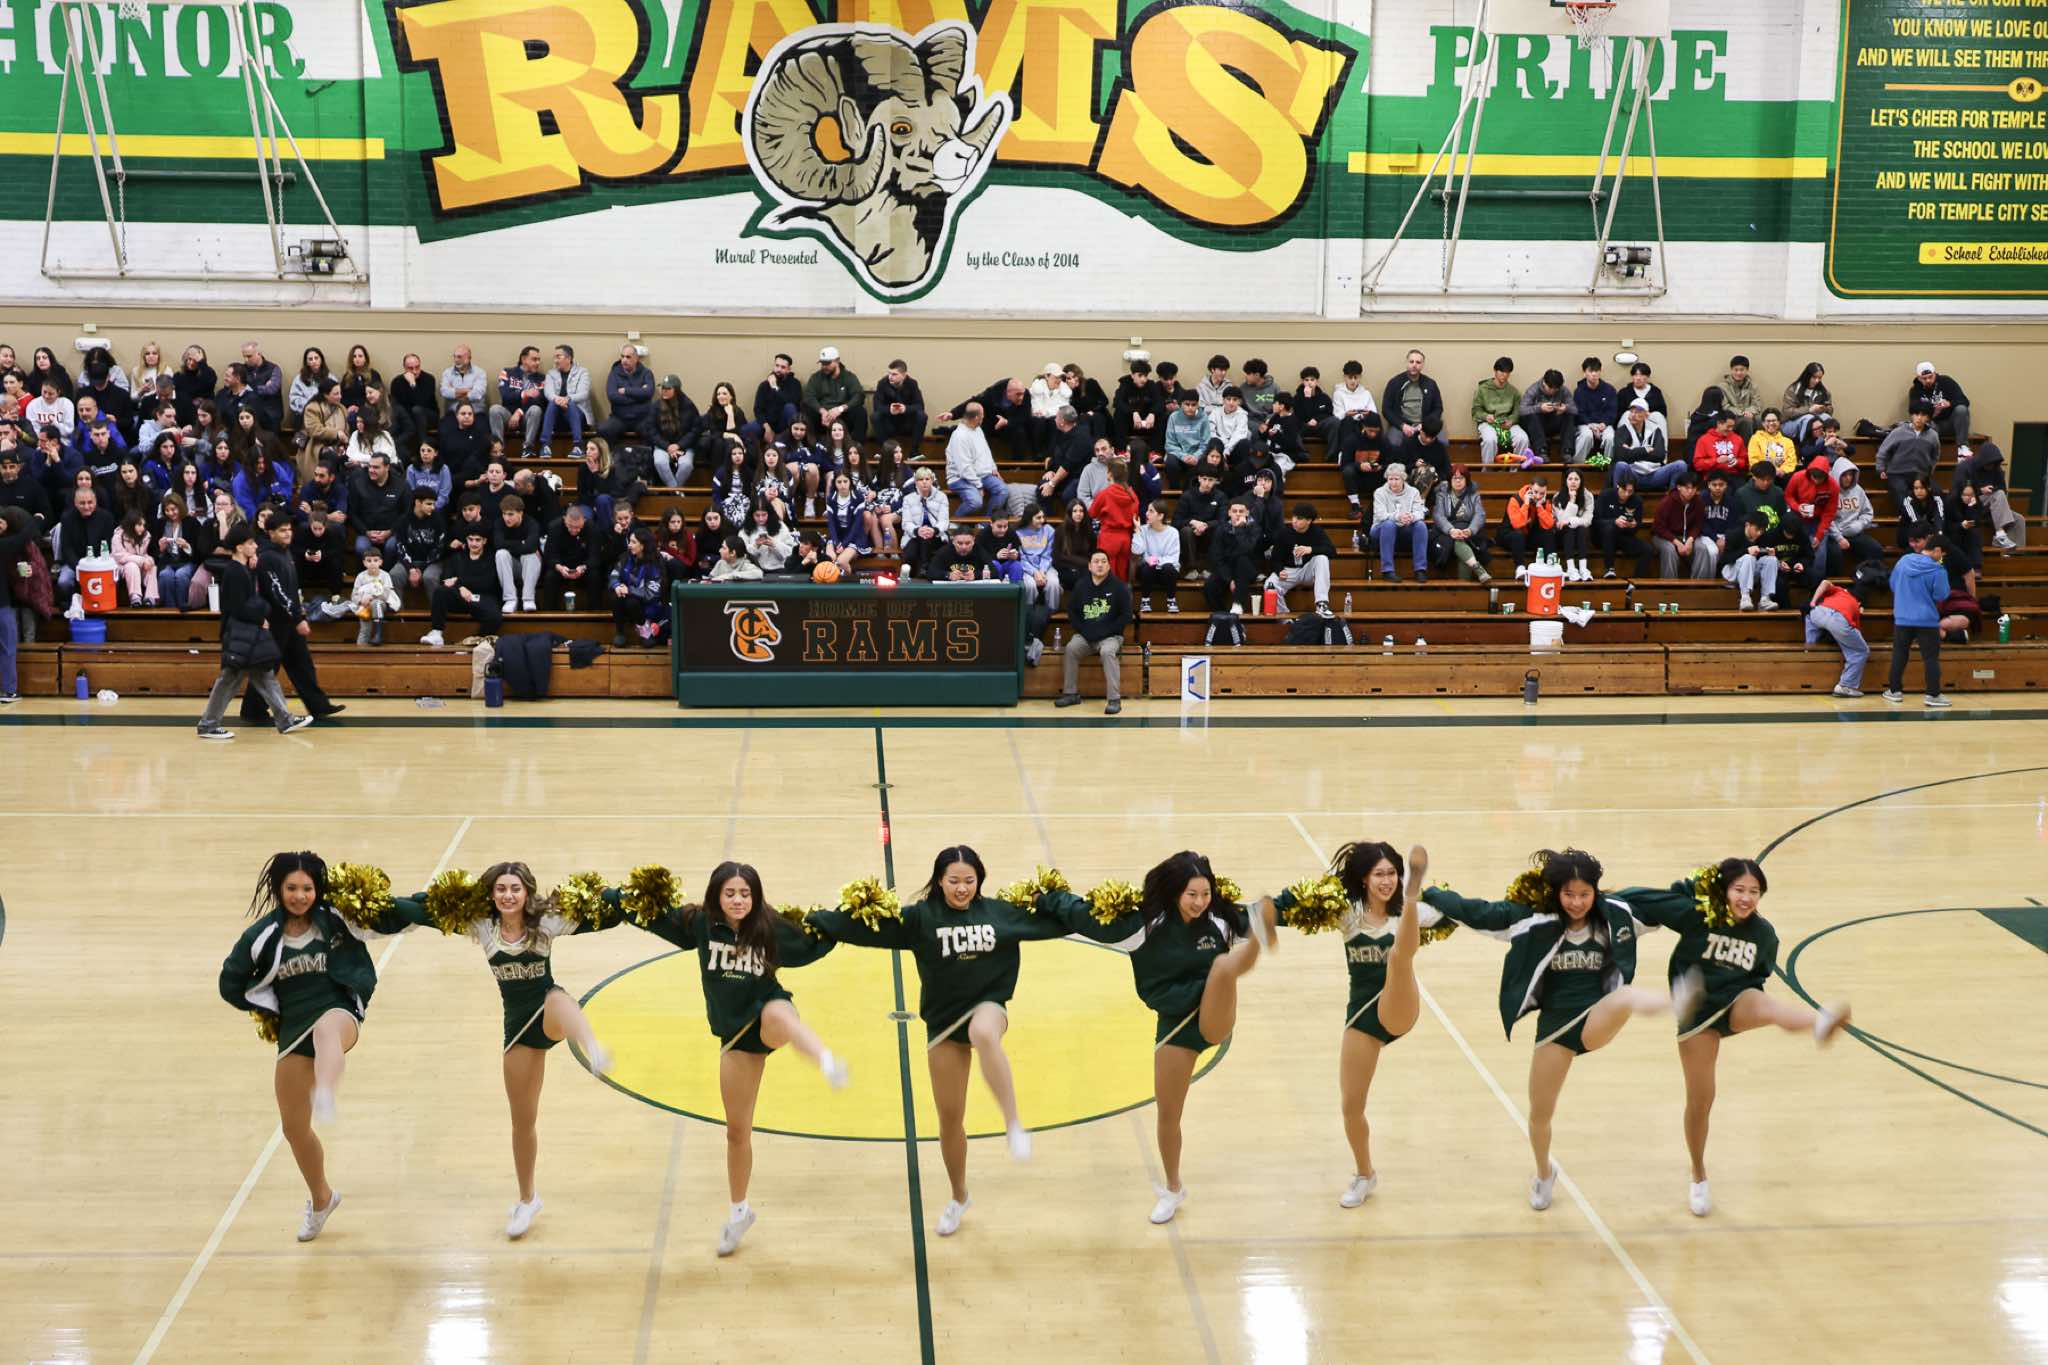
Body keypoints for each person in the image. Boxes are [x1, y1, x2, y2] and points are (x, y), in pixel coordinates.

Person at [808, 848, 1072, 1236]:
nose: (962, 888)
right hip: (945, 1023)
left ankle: (1014, 1124)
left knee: (984, 1033)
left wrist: (1095, 918)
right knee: (950, 1120)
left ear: (980, 880)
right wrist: (819, 921)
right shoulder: (921, 918)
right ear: (939, 881)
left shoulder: (1000, 913)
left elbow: (1055, 923)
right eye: (954, 881)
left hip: (987, 1006)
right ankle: (959, 1196)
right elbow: (869, 929)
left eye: (969, 881)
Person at [1423, 850, 1677, 1210]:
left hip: (1597, 1017)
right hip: (1556, 1029)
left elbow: (1669, 906)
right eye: (1569, 894)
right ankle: (1544, 1173)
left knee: (1625, 997)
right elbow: (1475, 912)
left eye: (1584, 894)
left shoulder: (1618, 913)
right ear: (1556, 891)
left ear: (1595, 891)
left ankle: (1675, 1002)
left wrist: (1714, 899)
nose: (1577, 902)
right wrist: (1431, 894)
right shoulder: (1532, 920)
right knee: (1539, 1113)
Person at [1614, 860, 1851, 1215]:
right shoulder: (1699, 915)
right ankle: (1698, 1174)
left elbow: (1760, 973)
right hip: (1697, 1013)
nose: (1746, 898)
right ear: (1724, 890)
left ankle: (1818, 1022)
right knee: (1701, 1100)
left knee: (1766, 1005)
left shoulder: (1764, 934)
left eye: (1754, 892)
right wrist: (1603, 903)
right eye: (1739, 890)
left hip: (1738, 1001)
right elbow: (1644, 899)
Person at [1041, 851, 1262, 1223]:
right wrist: (1047, 898)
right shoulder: (1143, 926)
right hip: (1175, 1025)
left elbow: (1275, 911)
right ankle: (1173, 1188)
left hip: (1214, 1014)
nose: (1200, 902)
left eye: (1206, 894)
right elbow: (1083, 917)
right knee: (1168, 1114)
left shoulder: (1221, 920)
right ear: (1175, 892)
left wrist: (1289, 910)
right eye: (1192, 895)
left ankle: (1252, 950)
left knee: (1224, 967)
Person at [647, 862, 847, 1257]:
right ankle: (739, 1211)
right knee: (737, 1132)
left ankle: (825, 1060)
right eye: (730, 893)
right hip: (737, 1039)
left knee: (780, 1014)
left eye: (745, 894)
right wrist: (618, 899)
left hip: (767, 1013)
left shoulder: (769, 928)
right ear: (717, 895)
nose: (738, 900)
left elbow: (812, 944)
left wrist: (843, 923)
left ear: (755, 897)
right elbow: (652, 916)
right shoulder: (699, 924)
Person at [218, 853, 408, 1239]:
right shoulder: (261, 937)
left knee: (326, 1031)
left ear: (317, 889)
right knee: (294, 1128)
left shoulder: (336, 918)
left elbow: (392, 916)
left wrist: (432, 908)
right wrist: (265, 1002)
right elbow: (229, 983)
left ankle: (326, 1091)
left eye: (307, 888)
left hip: (340, 1010)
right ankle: (322, 1198)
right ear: (279, 889)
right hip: (293, 1026)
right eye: (292, 888)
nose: (300, 895)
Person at [1256, 842, 1445, 1206]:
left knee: (1399, 958)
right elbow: (1290, 912)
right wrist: (1258, 911)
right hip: (1363, 1013)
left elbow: (1467, 914)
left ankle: (1413, 892)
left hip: (1400, 1002)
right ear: (1364, 879)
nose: (1386, 880)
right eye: (1379, 874)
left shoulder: (1416, 913)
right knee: (1351, 1106)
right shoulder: (1347, 914)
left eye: (1393, 873)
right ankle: (1364, 1174)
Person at [197, 527, 310, 739]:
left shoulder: (242, 569)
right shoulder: (234, 572)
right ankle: (207, 725)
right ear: (240, 547)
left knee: (265, 674)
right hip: (239, 634)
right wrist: (261, 615)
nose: (256, 546)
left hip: (247, 634)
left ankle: (285, 719)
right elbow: (237, 607)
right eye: (251, 543)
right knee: (229, 680)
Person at [242, 518, 341, 725]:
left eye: (289, 529)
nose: (287, 533)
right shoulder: (267, 557)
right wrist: (297, 618)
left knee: (302, 664)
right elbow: (277, 592)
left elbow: (292, 589)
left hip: (290, 618)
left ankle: (319, 705)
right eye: (282, 530)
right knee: (268, 666)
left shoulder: (286, 553)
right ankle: (252, 710)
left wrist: (299, 612)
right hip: (276, 621)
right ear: (270, 533)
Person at [1056, 549, 1131, 715]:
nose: (1100, 565)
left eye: (1104, 561)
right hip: (1086, 635)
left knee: (1107, 652)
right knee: (1071, 648)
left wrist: (1106, 630)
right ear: (1089, 566)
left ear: (1109, 566)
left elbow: (1126, 616)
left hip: (1111, 636)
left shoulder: (1119, 587)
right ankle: (1070, 693)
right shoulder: (1081, 585)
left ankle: (1114, 699)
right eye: (1096, 562)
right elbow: (1072, 611)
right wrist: (1083, 630)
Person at [1885, 524, 1950, 707]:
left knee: (1899, 655)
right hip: (1927, 620)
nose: (1942, 558)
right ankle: (1933, 695)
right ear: (1937, 550)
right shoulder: (1938, 570)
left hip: (1902, 618)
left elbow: (1893, 584)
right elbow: (1941, 595)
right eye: (1942, 555)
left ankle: (1894, 691)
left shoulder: (1903, 561)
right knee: (1930, 658)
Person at [1805, 562, 1886, 698]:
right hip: (1840, 620)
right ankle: (1845, 685)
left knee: (1809, 617)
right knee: (1861, 651)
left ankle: (1809, 647)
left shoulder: (1839, 591)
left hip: (1818, 612)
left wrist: (1813, 601)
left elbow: (1824, 582)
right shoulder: (1855, 605)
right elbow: (1854, 630)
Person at [419, 529, 501, 647]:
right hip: (460, 597)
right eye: (470, 539)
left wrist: (458, 581)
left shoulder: (491, 558)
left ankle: (477, 640)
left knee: (495, 617)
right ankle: (436, 632)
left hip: (482, 598)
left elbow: (487, 582)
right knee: (440, 591)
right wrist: (461, 588)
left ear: (484, 541)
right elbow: (446, 579)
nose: (473, 543)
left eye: (477, 540)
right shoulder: (457, 557)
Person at [1953, 439, 2025, 551]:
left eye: (1993, 463)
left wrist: (1992, 490)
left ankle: (2015, 553)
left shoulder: (1996, 469)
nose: (1991, 466)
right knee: (1999, 494)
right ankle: (2000, 534)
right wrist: (1980, 490)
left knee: (2019, 519)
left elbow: (2003, 489)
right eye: (1989, 463)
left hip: (1990, 507)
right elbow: (1959, 491)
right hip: (1970, 505)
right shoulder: (1965, 467)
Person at [1432, 464, 1492, 582]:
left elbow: (1480, 514)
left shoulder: (1473, 494)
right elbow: (1438, 515)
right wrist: (1451, 530)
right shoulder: (1442, 494)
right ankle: (1477, 568)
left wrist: (1471, 530)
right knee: (1458, 540)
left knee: (1462, 539)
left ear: (1467, 479)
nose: (1458, 481)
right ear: (1450, 480)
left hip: (1467, 530)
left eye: (1461, 478)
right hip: (1446, 532)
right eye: (1455, 478)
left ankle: (1464, 587)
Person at [1368, 462, 1428, 582]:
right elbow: (1381, 515)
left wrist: (1411, 517)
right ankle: (1387, 570)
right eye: (1390, 479)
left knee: (1420, 525)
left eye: (1396, 479)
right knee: (1388, 524)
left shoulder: (1413, 492)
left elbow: (1420, 513)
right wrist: (1398, 517)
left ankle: (1420, 570)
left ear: (1403, 479)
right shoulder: (1380, 492)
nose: (1393, 482)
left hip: (1405, 528)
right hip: (1380, 530)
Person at [944, 401, 1007, 516]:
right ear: (976, 417)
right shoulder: (959, 436)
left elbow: (986, 451)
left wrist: (993, 468)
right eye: (982, 415)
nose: (983, 418)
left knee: (1003, 491)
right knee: (975, 502)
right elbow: (964, 468)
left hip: (983, 475)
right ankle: (955, 522)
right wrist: (978, 485)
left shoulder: (978, 429)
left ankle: (985, 523)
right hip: (961, 478)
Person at [1652, 472, 1718, 579]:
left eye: (1693, 488)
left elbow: (1698, 525)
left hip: (1687, 536)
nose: (1690, 491)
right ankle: (1669, 585)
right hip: (1664, 537)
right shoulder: (1667, 502)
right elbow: (1659, 527)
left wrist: (1690, 540)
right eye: (1687, 488)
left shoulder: (1698, 502)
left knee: (1702, 549)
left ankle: (1698, 585)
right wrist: (1677, 542)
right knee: (1669, 550)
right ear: (1679, 487)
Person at [1875, 404, 1939, 513]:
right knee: (1902, 493)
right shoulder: (1898, 432)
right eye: (1916, 414)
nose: (1919, 418)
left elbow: (1935, 455)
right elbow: (1883, 451)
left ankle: (1928, 519)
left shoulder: (1933, 436)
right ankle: (1912, 519)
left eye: (1923, 415)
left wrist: (1929, 471)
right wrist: (1881, 469)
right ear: (1911, 415)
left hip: (1920, 474)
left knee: (1937, 492)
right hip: (1897, 474)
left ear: (1928, 418)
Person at [1379, 349, 1443, 457]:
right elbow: (1386, 409)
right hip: (1401, 425)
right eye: (1411, 361)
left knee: (1442, 441)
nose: (1414, 365)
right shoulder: (1394, 383)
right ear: (1406, 363)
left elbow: (1438, 408)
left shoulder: (1431, 384)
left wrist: (1425, 425)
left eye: (1418, 362)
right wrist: (1402, 425)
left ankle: (1429, 467)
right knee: (1393, 442)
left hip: (1425, 425)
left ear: (1422, 365)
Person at [1592, 468, 1652, 579]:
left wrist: (1634, 525)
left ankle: (1636, 581)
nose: (1627, 494)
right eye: (1624, 490)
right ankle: (1609, 568)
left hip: (1623, 537)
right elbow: (1596, 521)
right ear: (1618, 486)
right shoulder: (1606, 495)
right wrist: (1614, 521)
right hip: (1602, 537)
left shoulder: (1637, 501)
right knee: (1610, 528)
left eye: (1630, 491)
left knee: (1647, 549)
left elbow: (1638, 524)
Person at [1088, 459, 1141, 580]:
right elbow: (1135, 518)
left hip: (1109, 538)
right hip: (1126, 539)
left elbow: (1092, 513)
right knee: (1121, 577)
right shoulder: (1132, 494)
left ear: (1110, 473)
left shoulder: (1105, 493)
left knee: (1106, 578)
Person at [0, 505, 31, 702]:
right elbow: (23, 537)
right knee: (8, 647)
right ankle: (9, 690)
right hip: (2, 606)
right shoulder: (4, 545)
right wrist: (38, 519)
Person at [1472, 358, 1530, 464]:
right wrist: (1486, 416)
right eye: (1502, 371)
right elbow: (1476, 411)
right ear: (1495, 371)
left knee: (1523, 439)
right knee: (1490, 440)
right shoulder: (1482, 389)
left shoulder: (1513, 391)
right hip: (1489, 423)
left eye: (1507, 372)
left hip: (1507, 423)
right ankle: (1488, 470)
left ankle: (1515, 470)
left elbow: (1517, 411)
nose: (1505, 375)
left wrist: (1511, 421)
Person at [804, 346, 866, 443]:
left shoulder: (849, 377)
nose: (824, 366)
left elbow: (859, 396)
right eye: (822, 363)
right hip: (823, 415)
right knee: (807, 409)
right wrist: (822, 411)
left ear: (837, 361)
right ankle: (812, 446)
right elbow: (809, 396)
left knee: (860, 411)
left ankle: (855, 447)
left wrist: (840, 409)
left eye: (827, 363)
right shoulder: (816, 377)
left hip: (843, 415)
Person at [1130, 498, 1181, 614]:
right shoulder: (1143, 530)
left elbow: (1173, 558)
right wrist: (1137, 531)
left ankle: (1171, 599)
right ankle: (1145, 600)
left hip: (1166, 572)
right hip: (1147, 572)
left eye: (1151, 511)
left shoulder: (1173, 532)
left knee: (1168, 568)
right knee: (1149, 567)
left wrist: (1154, 560)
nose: (1146, 513)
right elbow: (1137, 551)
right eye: (1147, 510)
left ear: (1160, 516)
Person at [1909, 361, 1972, 454]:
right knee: (1921, 423)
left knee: (1961, 409)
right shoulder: (1915, 391)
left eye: (1930, 377)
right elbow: (1914, 413)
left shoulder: (1946, 382)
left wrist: (1949, 403)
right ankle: (1927, 453)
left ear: (1935, 374)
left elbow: (1964, 401)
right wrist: (1934, 412)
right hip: (1932, 424)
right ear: (1919, 378)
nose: (1928, 380)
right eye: (1924, 378)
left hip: (1952, 423)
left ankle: (1963, 447)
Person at [599, 345, 657, 445]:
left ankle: (645, 455)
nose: (624, 360)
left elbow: (649, 393)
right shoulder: (614, 373)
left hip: (642, 418)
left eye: (628, 357)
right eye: (622, 356)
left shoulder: (646, 373)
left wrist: (626, 391)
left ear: (636, 359)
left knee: (651, 430)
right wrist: (640, 395)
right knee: (603, 429)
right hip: (619, 418)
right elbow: (612, 396)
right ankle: (614, 454)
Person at [1499, 477, 1557, 579]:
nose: (1538, 496)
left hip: (1527, 536)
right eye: (1536, 492)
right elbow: (1517, 524)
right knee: (1518, 534)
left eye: (1542, 493)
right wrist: (1526, 504)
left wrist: (1539, 506)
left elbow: (1549, 525)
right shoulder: (1515, 500)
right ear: (1530, 488)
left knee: (1548, 534)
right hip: (1510, 535)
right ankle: (1520, 567)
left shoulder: (1545, 502)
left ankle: (1550, 565)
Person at [493, 493, 543, 612]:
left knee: (530, 555)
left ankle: (528, 599)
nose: (506, 518)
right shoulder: (499, 523)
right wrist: (521, 543)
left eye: (510, 514)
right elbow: (498, 544)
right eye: (504, 514)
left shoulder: (532, 524)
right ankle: (510, 599)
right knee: (501, 554)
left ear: (520, 513)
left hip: (531, 567)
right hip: (512, 566)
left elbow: (530, 547)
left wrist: (509, 544)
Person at [539, 345, 592, 449]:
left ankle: (578, 446)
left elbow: (583, 394)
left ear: (569, 358)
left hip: (579, 416)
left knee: (570, 403)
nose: (555, 360)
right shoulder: (551, 373)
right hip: (557, 418)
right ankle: (545, 446)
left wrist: (567, 399)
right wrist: (558, 400)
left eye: (558, 357)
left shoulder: (582, 372)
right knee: (553, 402)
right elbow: (548, 393)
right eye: (554, 357)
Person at [348, 546, 401, 646]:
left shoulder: (385, 576)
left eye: (375, 560)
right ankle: (361, 649)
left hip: (381, 604)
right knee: (365, 630)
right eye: (369, 561)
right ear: (364, 563)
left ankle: (378, 634)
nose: (372, 563)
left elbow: (386, 594)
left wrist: (371, 597)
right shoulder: (361, 576)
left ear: (380, 562)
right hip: (365, 606)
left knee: (376, 603)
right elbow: (354, 595)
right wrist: (361, 601)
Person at [1570, 357, 1620, 464]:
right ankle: (1577, 465)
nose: (1594, 374)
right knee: (1586, 436)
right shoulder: (1579, 391)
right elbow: (1579, 412)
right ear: (1584, 373)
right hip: (1585, 424)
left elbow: (1612, 411)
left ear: (1600, 372)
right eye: (1590, 371)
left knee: (1610, 437)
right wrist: (1590, 424)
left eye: (1596, 371)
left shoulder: (1609, 389)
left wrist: (1604, 424)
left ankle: (1608, 466)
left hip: (1604, 424)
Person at [1519, 368, 1575, 461]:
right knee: (1533, 415)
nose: (1552, 391)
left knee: (1569, 415)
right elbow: (1521, 410)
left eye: (1555, 389)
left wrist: (1565, 408)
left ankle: (1567, 452)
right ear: (1544, 383)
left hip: (1554, 423)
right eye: (1550, 388)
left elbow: (1575, 409)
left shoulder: (1563, 390)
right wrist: (1539, 408)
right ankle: (1541, 451)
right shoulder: (1534, 389)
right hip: (1536, 426)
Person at [871, 358, 926, 451]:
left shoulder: (912, 383)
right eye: (889, 373)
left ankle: (915, 451)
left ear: (904, 375)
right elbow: (877, 406)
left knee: (922, 415)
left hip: (907, 421)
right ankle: (884, 451)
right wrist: (889, 409)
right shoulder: (883, 383)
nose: (890, 377)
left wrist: (905, 409)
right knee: (875, 416)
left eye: (894, 374)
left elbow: (920, 406)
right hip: (889, 422)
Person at [1551, 468, 1594, 582]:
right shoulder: (1557, 497)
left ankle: (1583, 569)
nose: (1573, 482)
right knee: (1569, 529)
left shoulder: (1588, 496)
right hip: (1562, 534)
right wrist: (1572, 500)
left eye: (1576, 479)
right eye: (1570, 479)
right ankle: (1571, 569)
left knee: (1581, 529)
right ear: (1565, 481)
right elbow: (1562, 522)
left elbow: (1587, 520)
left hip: (1580, 534)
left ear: (1581, 481)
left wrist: (1570, 521)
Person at [110, 511, 161, 605]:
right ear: (131, 524)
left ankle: (150, 597)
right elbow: (120, 556)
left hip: (139, 565)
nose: (142, 528)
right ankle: (135, 597)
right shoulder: (118, 536)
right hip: (121, 567)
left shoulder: (145, 536)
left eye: (144, 525)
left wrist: (149, 561)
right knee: (131, 566)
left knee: (152, 567)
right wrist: (142, 561)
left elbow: (144, 554)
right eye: (139, 525)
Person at [1780, 362, 1833, 440]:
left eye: (1819, 378)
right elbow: (1787, 412)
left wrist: (1824, 408)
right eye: (1814, 377)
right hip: (1790, 424)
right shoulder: (1793, 389)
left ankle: (1825, 444)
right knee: (1809, 418)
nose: (1817, 381)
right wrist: (1809, 410)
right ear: (1807, 376)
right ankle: (1805, 445)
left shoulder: (1823, 391)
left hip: (1814, 419)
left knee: (1826, 417)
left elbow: (1830, 411)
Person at [1720, 355, 1764, 438]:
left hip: (1750, 415)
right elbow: (1725, 406)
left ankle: (1759, 445)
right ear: (1731, 370)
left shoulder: (1753, 386)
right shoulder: (1723, 387)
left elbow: (1757, 405)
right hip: (1731, 418)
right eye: (1736, 370)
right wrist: (1742, 413)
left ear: (1747, 370)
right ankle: (1746, 446)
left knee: (1761, 419)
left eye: (1742, 370)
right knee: (1747, 421)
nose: (1739, 373)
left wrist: (1749, 412)